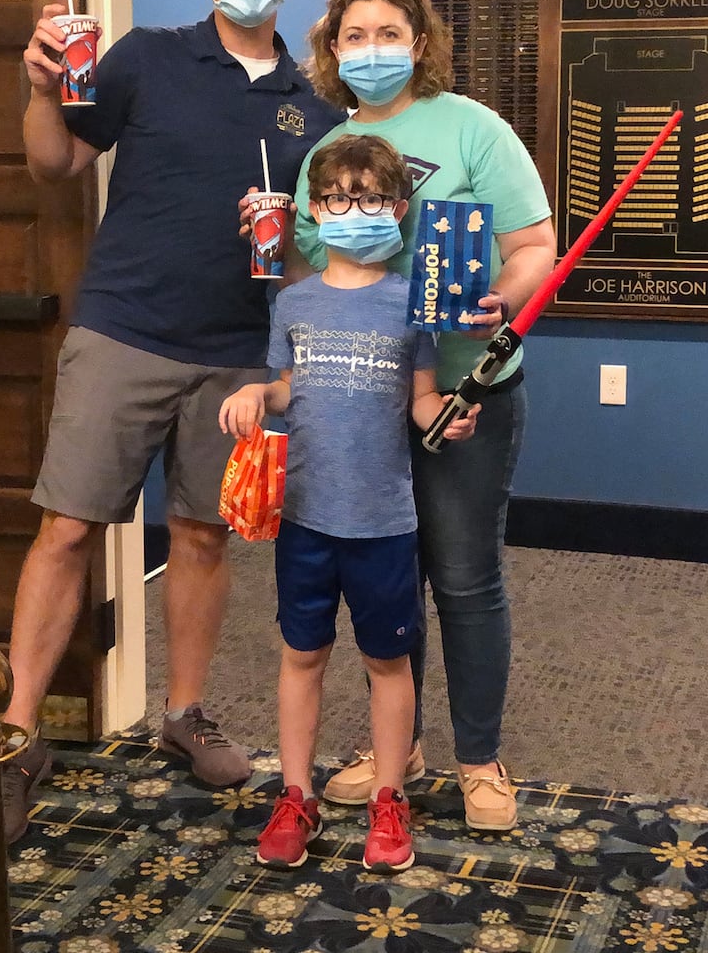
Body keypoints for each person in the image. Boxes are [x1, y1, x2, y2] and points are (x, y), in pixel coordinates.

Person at [0, 0, 344, 844]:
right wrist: (38, 88)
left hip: (240, 353)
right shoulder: (147, 56)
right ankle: (16, 733)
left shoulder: (314, 104)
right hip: (124, 330)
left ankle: (184, 713)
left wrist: (293, 258)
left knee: (202, 536)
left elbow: (325, 250)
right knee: (67, 529)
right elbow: (56, 164)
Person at [293, 0, 557, 831]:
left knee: (466, 576)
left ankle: (479, 758)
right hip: (362, 403)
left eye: (387, 33)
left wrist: (505, 299)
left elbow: (533, 246)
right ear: (335, 49)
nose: (372, 50)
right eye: (355, 35)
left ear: (419, 40)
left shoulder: (475, 127)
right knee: (385, 581)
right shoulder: (323, 154)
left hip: (463, 390)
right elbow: (308, 270)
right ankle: (394, 747)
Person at [219, 133, 479, 873]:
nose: (353, 210)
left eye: (369, 198)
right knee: (301, 655)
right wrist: (251, 393)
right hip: (305, 515)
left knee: (387, 661)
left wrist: (448, 417)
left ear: (397, 209)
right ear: (315, 208)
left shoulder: (412, 304)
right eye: (338, 198)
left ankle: (389, 797)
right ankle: (295, 793)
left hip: (383, 521)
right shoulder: (293, 300)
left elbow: (421, 401)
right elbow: (283, 387)